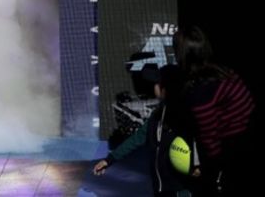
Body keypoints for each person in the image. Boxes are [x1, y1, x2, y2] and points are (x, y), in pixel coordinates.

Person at [173, 26, 256, 196]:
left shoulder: (200, 92)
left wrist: (210, 172)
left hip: (237, 148)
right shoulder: (224, 71)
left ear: (182, 55)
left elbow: (211, 141)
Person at [93, 64, 192, 196]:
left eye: (157, 83)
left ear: (165, 88)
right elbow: (137, 138)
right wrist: (109, 160)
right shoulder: (157, 115)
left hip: (180, 189)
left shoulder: (185, 115)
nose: (154, 86)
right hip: (161, 187)